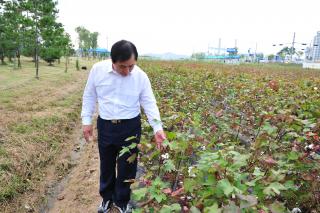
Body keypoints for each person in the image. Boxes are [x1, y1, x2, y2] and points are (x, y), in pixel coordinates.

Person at [81, 40, 166, 213]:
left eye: (131, 66)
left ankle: (122, 201)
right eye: (122, 66)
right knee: (106, 164)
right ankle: (106, 198)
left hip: (130, 126)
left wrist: (158, 128)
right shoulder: (98, 70)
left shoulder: (140, 76)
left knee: (128, 167)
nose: (127, 71)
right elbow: (89, 96)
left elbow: (149, 103)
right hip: (106, 125)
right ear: (113, 61)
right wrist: (86, 121)